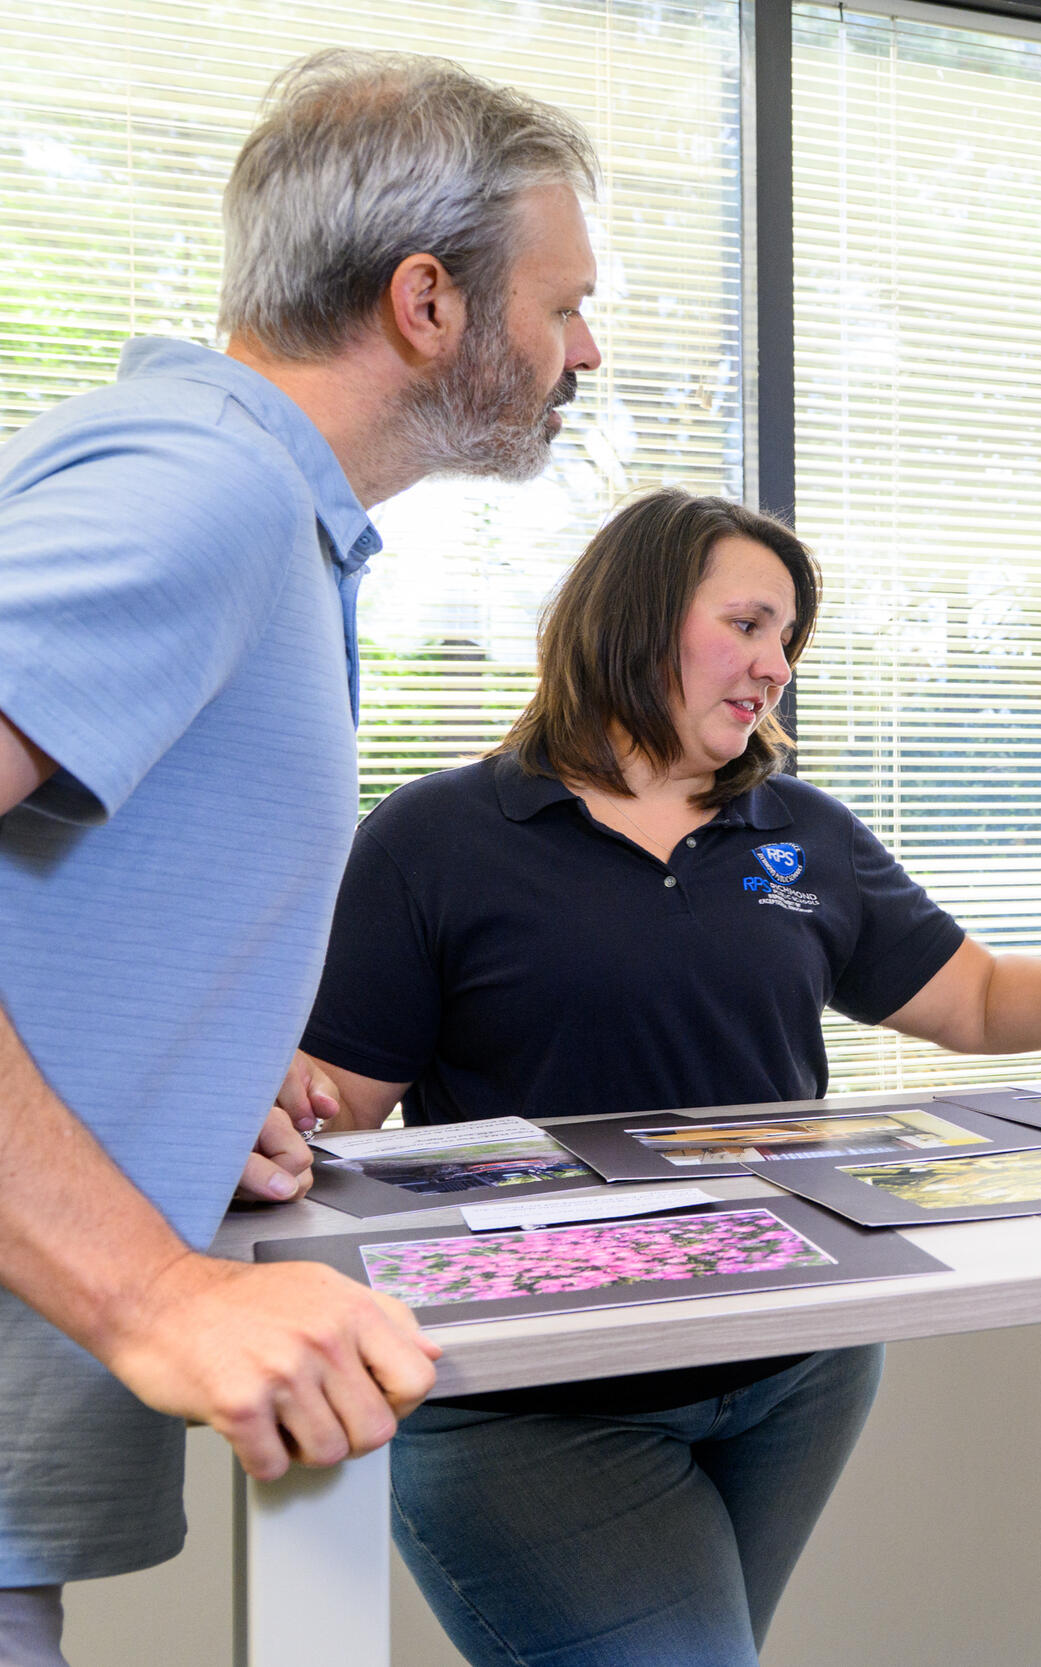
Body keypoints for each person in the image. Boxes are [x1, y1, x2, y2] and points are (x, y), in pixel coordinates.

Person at [287, 486, 1041, 1667]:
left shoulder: (799, 829)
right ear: (638, 612)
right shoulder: (434, 837)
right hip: (539, 1399)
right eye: (750, 625)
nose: (774, 665)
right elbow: (338, 1110)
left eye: (788, 641)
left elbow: (969, 997)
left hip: (791, 1369)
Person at [0, 48, 607, 1661]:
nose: (582, 351)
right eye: (560, 306)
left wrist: (173, 1074)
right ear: (428, 301)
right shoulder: (202, 492)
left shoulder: (234, 494)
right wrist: (154, 1291)